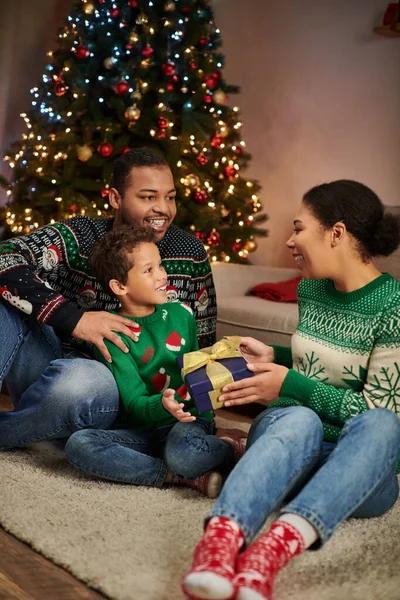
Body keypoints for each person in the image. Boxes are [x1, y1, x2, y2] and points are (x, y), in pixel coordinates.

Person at [182, 179, 400, 600]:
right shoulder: (311, 287)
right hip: (294, 440)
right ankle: (219, 546)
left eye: (299, 228)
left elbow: (380, 410)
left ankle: (272, 548)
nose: (289, 241)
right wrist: (276, 357)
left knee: (384, 425)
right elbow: (315, 364)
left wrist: (291, 381)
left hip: (358, 467)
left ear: (336, 233)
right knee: (300, 416)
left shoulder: (393, 307)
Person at [0, 148, 216, 450]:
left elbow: (204, 351)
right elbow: (4, 257)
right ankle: (46, 425)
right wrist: (75, 320)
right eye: (148, 197)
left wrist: (206, 427)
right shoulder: (78, 235)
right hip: (47, 369)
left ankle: (38, 429)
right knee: (4, 301)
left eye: (170, 197)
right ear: (116, 198)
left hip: (112, 395)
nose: (163, 209)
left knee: (86, 381)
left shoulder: (191, 254)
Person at [65, 225, 241, 498]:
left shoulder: (181, 315)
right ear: (119, 286)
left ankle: (229, 449)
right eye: (149, 270)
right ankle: (176, 477)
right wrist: (163, 404)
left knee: (186, 455)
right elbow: (134, 404)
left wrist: (207, 422)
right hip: (143, 431)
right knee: (79, 444)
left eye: (160, 266)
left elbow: (199, 374)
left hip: (187, 423)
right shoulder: (111, 333)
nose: (162, 275)